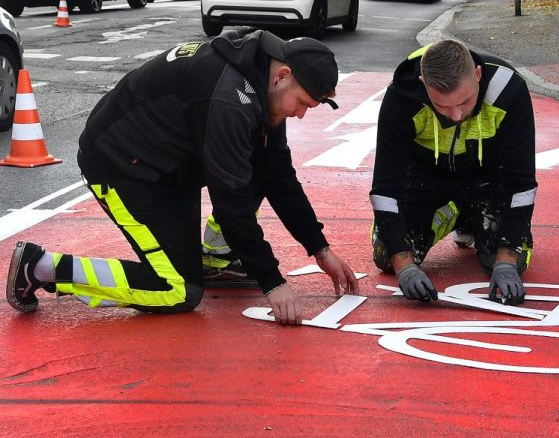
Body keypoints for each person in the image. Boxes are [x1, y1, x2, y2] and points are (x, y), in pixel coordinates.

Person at [7, 30, 359, 325]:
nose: (299, 114)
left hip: (169, 167)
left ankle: (215, 256)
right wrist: (272, 282)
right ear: (282, 75)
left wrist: (319, 249)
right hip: (121, 166)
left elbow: (278, 173)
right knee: (178, 290)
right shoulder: (228, 98)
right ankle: (41, 267)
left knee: (257, 163)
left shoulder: (261, 79)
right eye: (301, 103)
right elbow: (230, 197)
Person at [369, 39, 537, 306]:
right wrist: (404, 265)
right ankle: (457, 214)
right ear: (424, 84)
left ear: (478, 76)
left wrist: (506, 260)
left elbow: (522, 183)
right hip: (426, 178)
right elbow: (385, 189)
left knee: (501, 260)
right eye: (443, 107)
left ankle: (476, 218)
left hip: (489, 180)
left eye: (465, 101)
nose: (456, 115)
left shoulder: (509, 89)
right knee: (385, 257)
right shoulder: (402, 96)